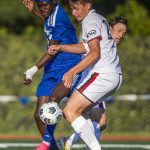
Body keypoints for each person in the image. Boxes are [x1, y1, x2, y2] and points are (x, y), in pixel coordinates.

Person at [48, 0, 123, 149]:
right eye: (72, 9)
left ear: (87, 5)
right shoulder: (99, 18)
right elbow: (86, 47)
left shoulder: (90, 21)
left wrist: (71, 72)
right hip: (114, 75)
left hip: (102, 74)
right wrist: (61, 47)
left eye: (76, 8)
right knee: (81, 114)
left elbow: (95, 53)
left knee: (70, 111)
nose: (74, 13)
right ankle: (70, 143)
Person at [22, 0, 81, 150]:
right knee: (39, 115)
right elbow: (48, 20)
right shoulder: (51, 14)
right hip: (52, 67)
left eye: (45, 5)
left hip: (67, 66)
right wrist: (34, 11)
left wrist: (31, 71)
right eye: (40, 6)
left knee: (56, 106)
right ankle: (53, 147)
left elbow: (52, 50)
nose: (42, 9)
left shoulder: (60, 18)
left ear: (54, 2)